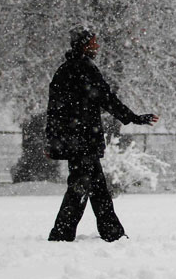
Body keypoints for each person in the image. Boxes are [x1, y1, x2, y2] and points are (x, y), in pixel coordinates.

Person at [45, 26, 159, 242]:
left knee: (98, 189)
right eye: (93, 42)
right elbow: (106, 97)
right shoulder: (84, 69)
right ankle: (61, 234)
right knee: (80, 188)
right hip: (83, 140)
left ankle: (111, 232)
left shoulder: (64, 70)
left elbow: (54, 110)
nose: (97, 46)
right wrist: (133, 117)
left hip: (74, 140)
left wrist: (53, 140)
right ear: (85, 45)